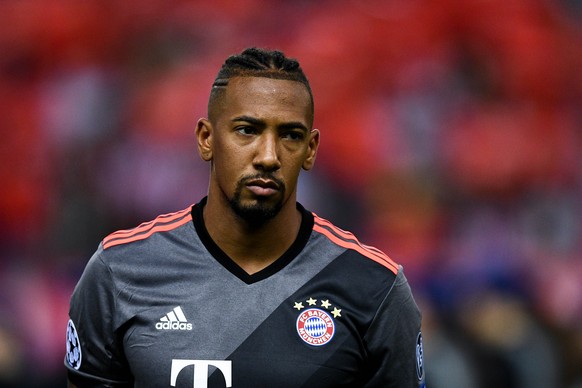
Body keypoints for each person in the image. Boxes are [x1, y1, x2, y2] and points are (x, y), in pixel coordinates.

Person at [65, 47, 426, 387]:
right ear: (206, 138)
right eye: (247, 130)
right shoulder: (120, 272)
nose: (268, 156)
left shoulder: (375, 287)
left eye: (290, 135)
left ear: (310, 150)